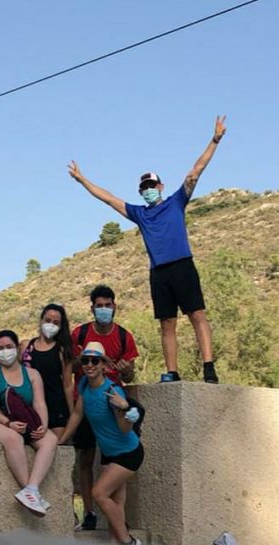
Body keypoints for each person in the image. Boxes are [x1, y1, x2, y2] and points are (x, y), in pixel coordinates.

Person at [68, 115, 227, 384]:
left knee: (197, 315)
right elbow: (109, 199)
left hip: (182, 265)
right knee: (167, 323)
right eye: (144, 188)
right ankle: (172, 371)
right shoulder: (140, 214)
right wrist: (83, 180)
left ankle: (208, 366)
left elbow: (195, 172)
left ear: (160, 186)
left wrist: (215, 140)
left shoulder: (176, 201)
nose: (148, 190)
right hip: (159, 272)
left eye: (152, 185)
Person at [59, 341, 144, 545]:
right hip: (109, 453)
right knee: (117, 501)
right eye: (85, 361)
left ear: (104, 365)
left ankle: (128, 542)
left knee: (99, 493)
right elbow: (77, 414)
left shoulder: (112, 392)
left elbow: (124, 429)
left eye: (95, 361)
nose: (89, 365)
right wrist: (61, 441)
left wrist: (126, 410)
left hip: (128, 452)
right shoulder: (84, 386)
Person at [70, 284, 138, 531]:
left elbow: (129, 376)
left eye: (107, 305)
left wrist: (126, 370)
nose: (103, 310)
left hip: (112, 405)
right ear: (92, 308)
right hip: (86, 403)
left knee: (114, 462)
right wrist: (83, 358)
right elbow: (70, 367)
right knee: (86, 458)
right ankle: (89, 513)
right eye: (99, 306)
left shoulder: (124, 336)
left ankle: (117, 519)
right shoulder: (79, 334)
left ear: (115, 307)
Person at [0, 330, 58, 516]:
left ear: (18, 348)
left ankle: (32, 489)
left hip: (25, 421)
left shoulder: (32, 374)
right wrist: (8, 423)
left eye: (9, 347)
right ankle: (29, 491)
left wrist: (43, 425)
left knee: (50, 440)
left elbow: (39, 403)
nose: (5, 351)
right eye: (0, 348)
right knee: (13, 438)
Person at [20, 303, 74, 439]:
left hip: (56, 407)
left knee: (58, 445)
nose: (51, 325)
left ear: (61, 327)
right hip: (29, 407)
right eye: (48, 320)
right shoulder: (26, 347)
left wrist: (72, 415)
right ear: (41, 320)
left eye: (56, 323)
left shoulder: (62, 350)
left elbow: (67, 385)